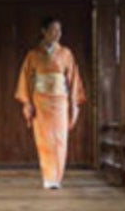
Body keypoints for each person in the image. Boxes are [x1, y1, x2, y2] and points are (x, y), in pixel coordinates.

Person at [14, 17, 86, 190]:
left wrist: (74, 103)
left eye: (59, 31)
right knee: (44, 140)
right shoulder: (33, 55)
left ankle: (57, 177)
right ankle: (48, 178)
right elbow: (25, 79)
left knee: (60, 139)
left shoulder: (66, 54)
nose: (57, 34)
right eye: (53, 30)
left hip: (60, 101)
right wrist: (27, 102)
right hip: (40, 100)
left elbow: (73, 79)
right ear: (44, 31)